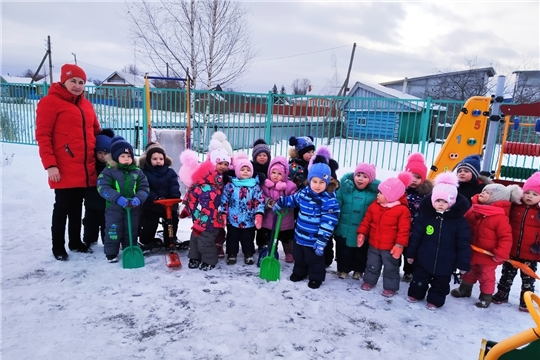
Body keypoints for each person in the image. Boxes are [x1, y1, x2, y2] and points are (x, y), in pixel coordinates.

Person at [35, 63, 101, 261]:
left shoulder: (86, 105)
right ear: (63, 81)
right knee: (62, 206)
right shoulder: (50, 102)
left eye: (81, 82)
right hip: (62, 166)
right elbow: (43, 136)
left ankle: (75, 242)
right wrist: (50, 165)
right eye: (73, 81)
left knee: (77, 206)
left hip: (84, 165)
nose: (77, 85)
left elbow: (96, 132)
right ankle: (58, 246)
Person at [272, 155, 340, 289]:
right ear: (309, 181)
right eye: (315, 181)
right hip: (300, 235)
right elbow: (292, 200)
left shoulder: (329, 200)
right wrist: (281, 202)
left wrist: (321, 240)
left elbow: (329, 222)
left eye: (321, 182)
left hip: (315, 239)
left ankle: (316, 277)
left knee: (314, 260)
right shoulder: (304, 193)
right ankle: (299, 272)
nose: (318, 185)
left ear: (327, 182)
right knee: (299, 257)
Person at [406, 172, 471, 309]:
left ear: (452, 202)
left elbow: (463, 243)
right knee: (419, 279)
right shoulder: (425, 217)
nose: (441, 204)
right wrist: (411, 254)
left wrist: (463, 263)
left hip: (446, 261)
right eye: (438, 200)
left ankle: (435, 300)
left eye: (445, 201)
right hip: (424, 258)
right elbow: (416, 237)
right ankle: (416, 293)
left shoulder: (459, 222)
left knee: (440, 284)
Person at [451, 183, 522, 308]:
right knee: (469, 270)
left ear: (497, 198)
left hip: (488, 256)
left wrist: (500, 253)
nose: (482, 193)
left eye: (487, 192)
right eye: (483, 191)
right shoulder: (474, 209)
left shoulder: (500, 217)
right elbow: (463, 223)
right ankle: (465, 289)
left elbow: (505, 237)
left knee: (486, 276)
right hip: (472, 250)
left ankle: (485, 296)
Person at [357, 172, 412, 297]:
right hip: (374, 244)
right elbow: (366, 221)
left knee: (391, 268)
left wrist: (399, 245)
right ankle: (369, 281)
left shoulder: (402, 211)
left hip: (390, 247)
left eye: (381, 193)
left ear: (389, 196)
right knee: (372, 264)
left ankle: (390, 287)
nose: (378, 194)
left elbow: (404, 230)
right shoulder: (374, 206)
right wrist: (361, 233)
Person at [492, 172, 540, 312]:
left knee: (528, 279)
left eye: (535, 194)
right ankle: (502, 293)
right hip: (511, 249)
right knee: (507, 274)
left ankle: (526, 300)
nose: (530, 196)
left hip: (530, 252)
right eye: (527, 193)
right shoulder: (515, 207)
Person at [97, 136, 149, 263]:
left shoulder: (137, 172)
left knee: (130, 230)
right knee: (113, 230)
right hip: (114, 208)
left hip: (132, 208)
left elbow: (144, 187)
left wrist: (138, 198)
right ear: (115, 157)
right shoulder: (109, 171)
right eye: (123, 156)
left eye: (129, 156)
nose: (127, 159)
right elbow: (102, 187)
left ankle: (129, 248)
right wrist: (117, 198)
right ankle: (111, 253)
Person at [184, 148, 230, 271]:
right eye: (219, 163)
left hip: (210, 220)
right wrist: (187, 208)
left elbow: (210, 206)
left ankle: (209, 260)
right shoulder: (202, 183)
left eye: (226, 164)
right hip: (199, 218)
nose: (223, 166)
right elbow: (190, 196)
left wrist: (202, 221)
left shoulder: (215, 184)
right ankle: (194, 257)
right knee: (195, 238)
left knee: (206, 240)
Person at [334, 163, 380, 280]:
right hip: (344, 228)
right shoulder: (345, 189)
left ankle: (358, 270)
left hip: (364, 231)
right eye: (358, 175)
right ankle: (343, 269)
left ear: (370, 180)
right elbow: (336, 206)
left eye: (365, 176)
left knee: (361, 253)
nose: (360, 178)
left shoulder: (375, 194)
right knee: (343, 251)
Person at [220, 153, 265, 265]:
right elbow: (224, 200)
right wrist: (223, 214)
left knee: (248, 238)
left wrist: (259, 214)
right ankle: (231, 254)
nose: (245, 172)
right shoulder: (230, 185)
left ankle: (248, 254)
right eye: (243, 169)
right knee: (232, 238)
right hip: (233, 219)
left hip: (249, 219)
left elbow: (259, 201)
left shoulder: (255, 186)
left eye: (248, 170)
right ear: (237, 171)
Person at [138, 142, 181, 251]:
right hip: (152, 204)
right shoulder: (144, 173)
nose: (158, 161)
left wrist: (174, 195)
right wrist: (155, 198)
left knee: (172, 220)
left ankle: (170, 239)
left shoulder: (170, 172)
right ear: (149, 160)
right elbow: (145, 188)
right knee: (150, 223)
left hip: (168, 203)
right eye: (155, 159)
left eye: (161, 159)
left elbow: (174, 185)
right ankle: (146, 240)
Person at [258, 156, 297, 261]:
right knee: (270, 238)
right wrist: (269, 202)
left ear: (284, 175)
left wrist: (285, 203)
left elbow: (294, 198)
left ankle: (289, 253)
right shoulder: (265, 185)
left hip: (285, 220)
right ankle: (271, 251)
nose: (276, 176)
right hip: (269, 220)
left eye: (279, 173)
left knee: (287, 239)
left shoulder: (290, 186)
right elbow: (261, 197)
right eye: (273, 172)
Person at [402, 152, 433, 282]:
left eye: (418, 177)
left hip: (418, 229)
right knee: (400, 249)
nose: (414, 180)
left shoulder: (427, 194)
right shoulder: (400, 189)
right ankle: (398, 269)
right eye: (411, 176)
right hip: (401, 226)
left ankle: (410, 271)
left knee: (413, 250)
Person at [82, 128, 114, 249]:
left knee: (106, 222)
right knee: (90, 222)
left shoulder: (112, 167)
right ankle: (89, 240)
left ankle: (107, 242)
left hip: (106, 201)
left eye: (106, 153)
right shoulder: (91, 165)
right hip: (91, 199)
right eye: (100, 153)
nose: (102, 156)